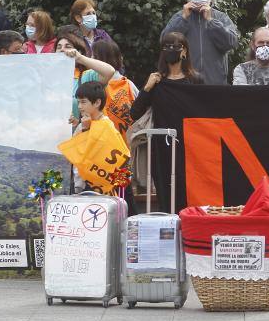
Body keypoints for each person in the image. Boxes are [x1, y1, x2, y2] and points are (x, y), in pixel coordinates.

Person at [130, 32, 204, 212]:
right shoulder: (156, 81)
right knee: (164, 191)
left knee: (189, 190)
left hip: (189, 146)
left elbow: (204, 112)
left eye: (176, 46)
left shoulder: (195, 80)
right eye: (167, 47)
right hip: (161, 146)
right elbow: (135, 113)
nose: (171, 50)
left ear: (184, 51)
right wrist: (147, 88)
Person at [160, 0, 239, 85]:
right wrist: (183, 18)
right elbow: (164, 41)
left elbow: (231, 42)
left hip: (215, 85)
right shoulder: (180, 16)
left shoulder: (221, 17)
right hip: (186, 84)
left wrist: (210, 20)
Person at [56, 31, 114, 128]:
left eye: (68, 46)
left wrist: (80, 58)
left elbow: (109, 71)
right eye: (58, 47)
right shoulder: (50, 79)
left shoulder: (86, 76)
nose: (62, 50)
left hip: (85, 137)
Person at [71, 80, 121, 192]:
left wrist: (86, 129)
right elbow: (76, 154)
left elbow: (95, 153)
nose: (79, 106)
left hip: (102, 186)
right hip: (84, 184)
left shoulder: (106, 125)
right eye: (78, 102)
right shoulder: (83, 124)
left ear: (97, 102)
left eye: (83, 102)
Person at [92, 40, 139, 138]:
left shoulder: (93, 85)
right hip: (128, 145)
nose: (91, 59)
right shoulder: (129, 85)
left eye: (94, 57)